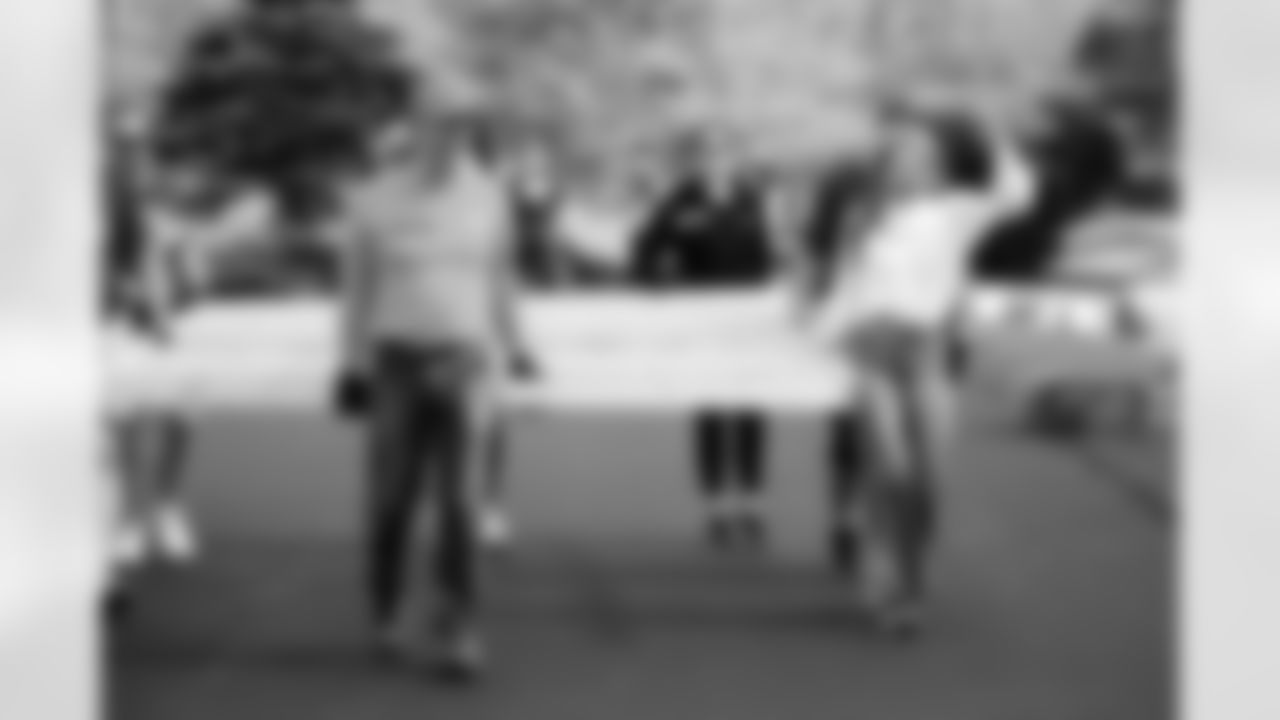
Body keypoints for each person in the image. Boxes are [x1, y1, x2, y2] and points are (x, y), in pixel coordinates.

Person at [807, 105, 1037, 637]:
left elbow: (1017, 195)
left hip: (926, 357)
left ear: (934, 166)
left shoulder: (955, 211)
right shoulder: (861, 216)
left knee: (929, 482)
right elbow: (844, 289)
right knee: (890, 471)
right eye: (901, 154)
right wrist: (826, 335)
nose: (909, 163)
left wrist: (990, 132)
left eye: (922, 154)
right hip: (870, 355)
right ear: (887, 164)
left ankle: (912, 580)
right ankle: (884, 580)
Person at [336, 115, 529, 679]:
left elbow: (501, 277)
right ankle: (387, 611)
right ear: (415, 134)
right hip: (395, 359)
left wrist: (517, 344)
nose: (445, 141)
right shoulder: (373, 199)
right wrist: (351, 364)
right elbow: (356, 286)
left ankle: (460, 627)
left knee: (460, 503)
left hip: (465, 360)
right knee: (391, 498)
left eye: (456, 131)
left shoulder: (489, 198)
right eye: (434, 129)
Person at [631, 140, 775, 551]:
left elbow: (767, 256)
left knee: (750, 411)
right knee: (711, 412)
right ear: (697, 161)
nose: (716, 161)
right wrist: (656, 284)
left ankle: (751, 503)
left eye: (724, 153)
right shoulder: (682, 201)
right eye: (709, 155)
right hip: (702, 324)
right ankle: (716, 507)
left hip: (749, 323)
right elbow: (645, 246)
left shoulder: (750, 198)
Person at [102, 139, 203, 611]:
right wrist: (124, 297)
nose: (134, 172)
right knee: (124, 422)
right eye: (126, 162)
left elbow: (194, 286)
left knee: (180, 418)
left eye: (140, 162)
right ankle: (129, 520)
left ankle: (167, 504)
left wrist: (180, 285)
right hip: (119, 334)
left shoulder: (171, 223)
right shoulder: (105, 223)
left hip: (166, 335)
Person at [800, 156, 886, 578]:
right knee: (850, 435)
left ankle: (867, 523)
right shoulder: (835, 228)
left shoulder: (913, 220)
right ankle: (846, 519)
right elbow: (816, 279)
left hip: (899, 338)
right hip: (851, 339)